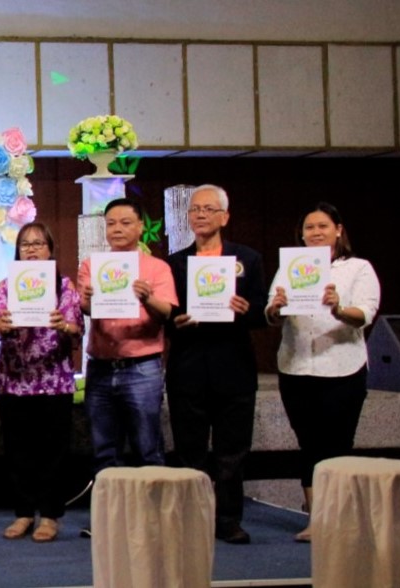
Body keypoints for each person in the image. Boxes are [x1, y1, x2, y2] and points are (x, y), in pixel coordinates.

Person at [265, 202, 380, 543]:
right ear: (301, 234)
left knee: (337, 444)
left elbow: (365, 314)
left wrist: (338, 308)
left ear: (338, 230)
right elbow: (272, 314)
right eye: (309, 228)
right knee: (309, 445)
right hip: (296, 366)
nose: (315, 232)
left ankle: (339, 516)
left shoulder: (358, 268)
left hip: (342, 367)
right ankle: (316, 518)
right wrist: (277, 307)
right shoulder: (290, 268)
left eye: (322, 226)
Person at [165, 185, 267, 545]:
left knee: (232, 453)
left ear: (225, 216)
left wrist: (248, 310)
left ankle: (228, 519)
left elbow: (263, 312)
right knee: (189, 452)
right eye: (195, 210)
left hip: (234, 369)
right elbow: (168, 313)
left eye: (209, 209)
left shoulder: (248, 259)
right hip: (188, 369)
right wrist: (174, 321)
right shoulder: (176, 262)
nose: (201, 215)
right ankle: (191, 520)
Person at [78, 198, 177, 528]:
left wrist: (147, 297)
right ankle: (108, 521)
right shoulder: (93, 265)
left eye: (124, 223)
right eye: (110, 223)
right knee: (104, 449)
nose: (117, 229)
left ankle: (156, 518)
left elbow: (168, 314)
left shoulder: (156, 267)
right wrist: (88, 301)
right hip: (102, 366)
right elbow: (86, 310)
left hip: (142, 366)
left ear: (138, 227)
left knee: (148, 446)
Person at [0, 222, 81, 543]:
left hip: (54, 381)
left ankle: (51, 515)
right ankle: (24, 513)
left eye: (38, 243)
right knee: (18, 450)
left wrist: (63, 324)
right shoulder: (6, 286)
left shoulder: (64, 287)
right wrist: (2, 324)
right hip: (14, 381)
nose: (31, 249)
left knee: (53, 451)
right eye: (25, 244)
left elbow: (77, 328)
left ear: (50, 249)